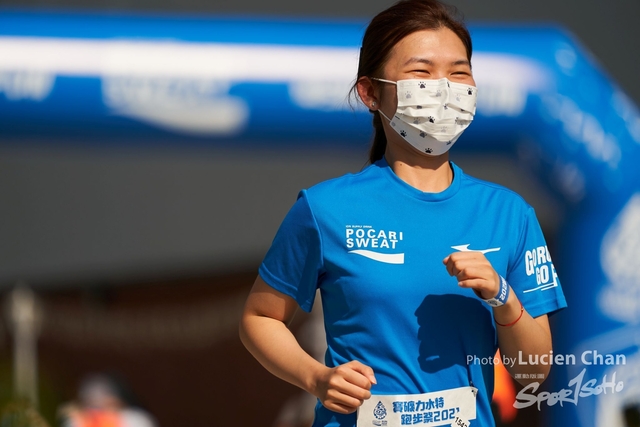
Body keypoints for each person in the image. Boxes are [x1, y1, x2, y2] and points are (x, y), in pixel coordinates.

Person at [239, 1, 567, 426]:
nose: (443, 88)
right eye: (421, 72)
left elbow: (533, 373)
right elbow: (260, 318)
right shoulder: (324, 209)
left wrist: (503, 297)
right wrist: (316, 377)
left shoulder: (510, 214)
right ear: (370, 93)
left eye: (459, 72)